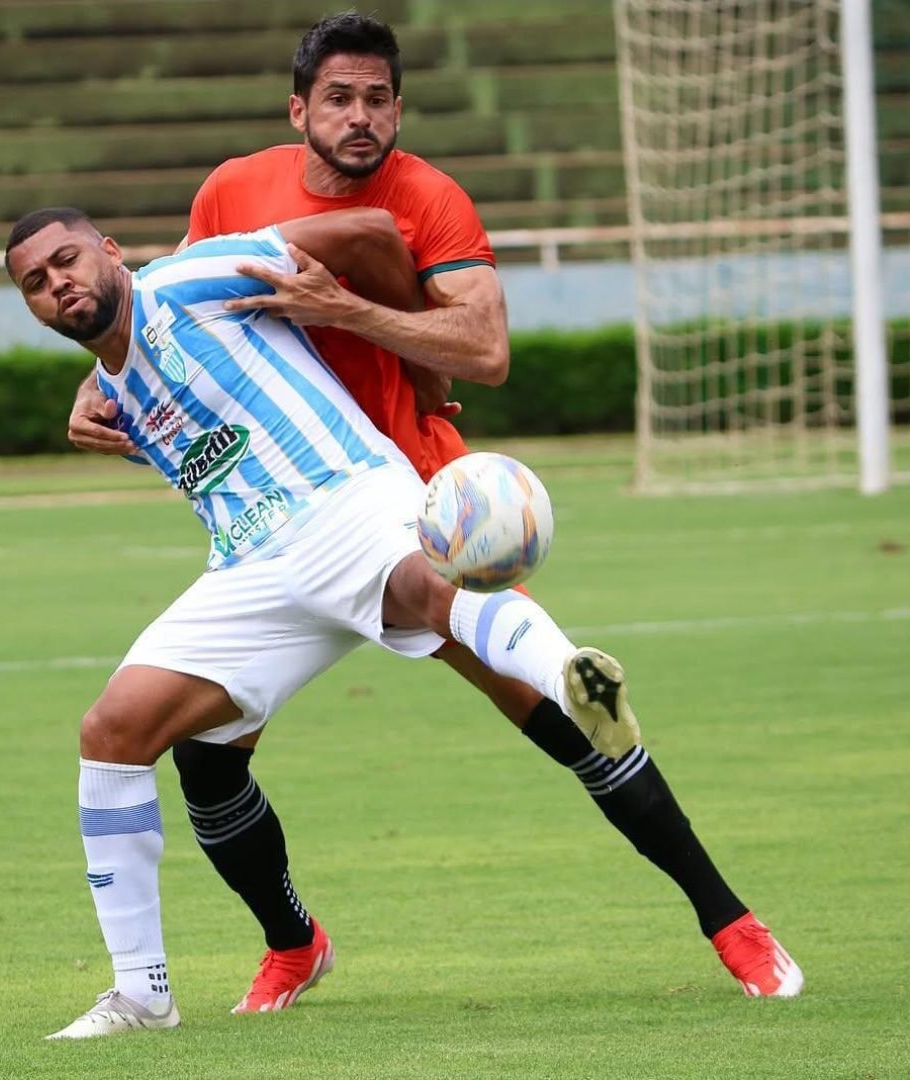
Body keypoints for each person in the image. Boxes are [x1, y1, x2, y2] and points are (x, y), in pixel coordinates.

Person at [65, 13, 803, 1007]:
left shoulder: (428, 198)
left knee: (556, 720)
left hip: (407, 488)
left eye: (378, 99)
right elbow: (169, 314)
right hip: (278, 521)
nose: (361, 116)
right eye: (340, 97)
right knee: (204, 758)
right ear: (299, 108)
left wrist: (353, 312)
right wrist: (105, 383)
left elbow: (485, 353)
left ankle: (733, 924)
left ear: (400, 109)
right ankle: (294, 944)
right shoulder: (234, 189)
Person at [6, 204, 649, 1038]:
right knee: (112, 731)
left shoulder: (193, 279)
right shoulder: (115, 391)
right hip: (249, 569)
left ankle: (572, 675)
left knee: (427, 590)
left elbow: (373, 232)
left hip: (342, 499)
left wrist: (419, 360)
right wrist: (95, 402)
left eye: (67, 260)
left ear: (111, 252)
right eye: (36, 282)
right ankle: (142, 994)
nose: (58, 282)